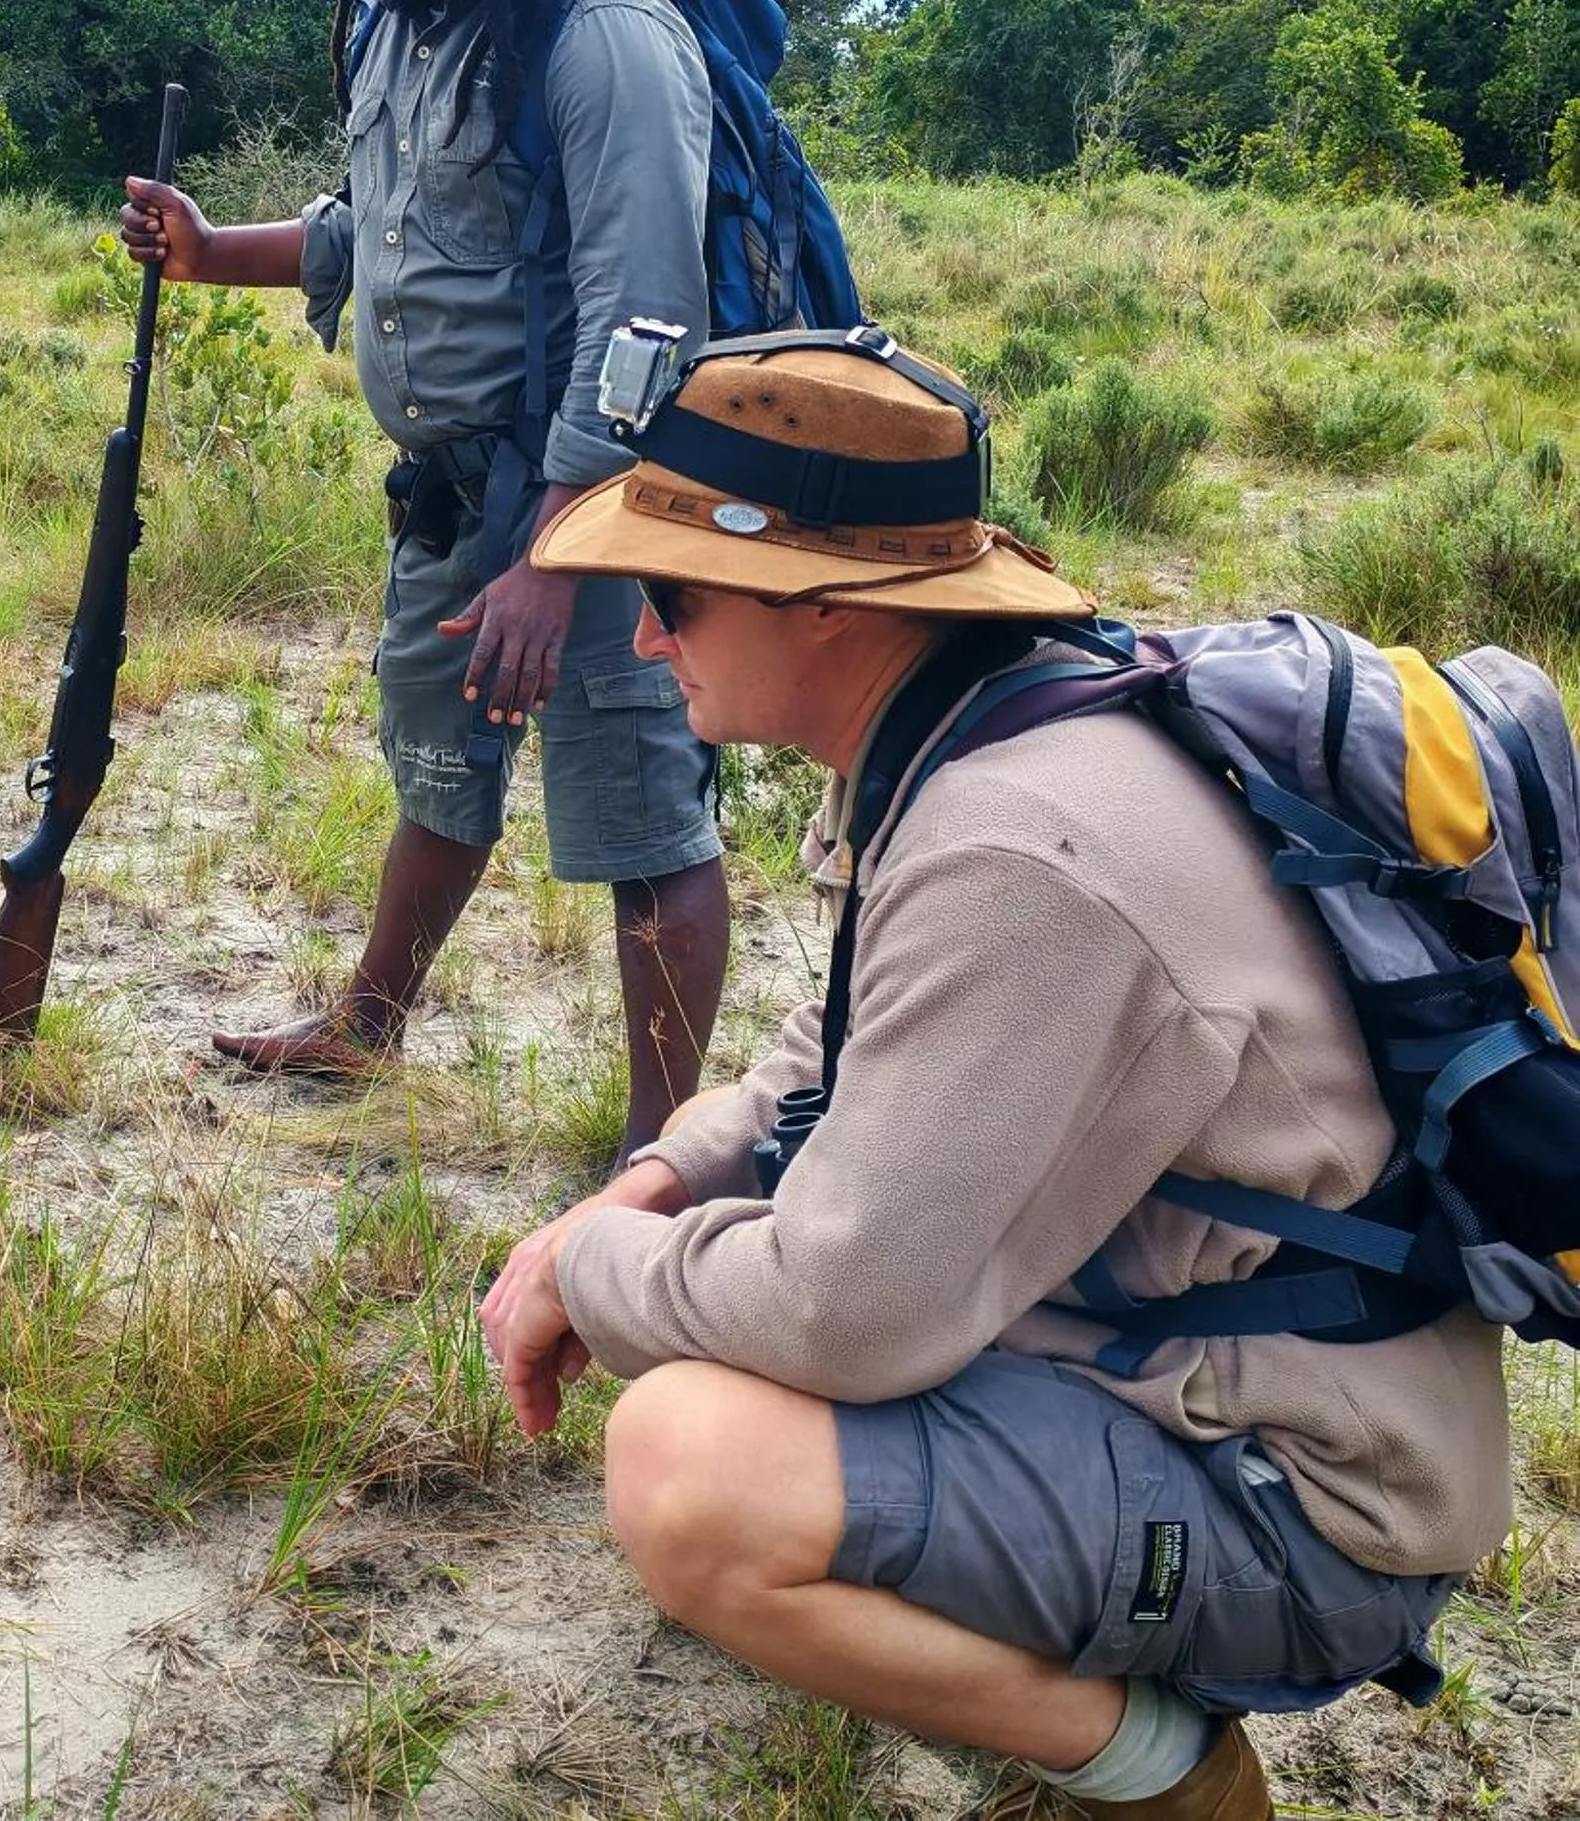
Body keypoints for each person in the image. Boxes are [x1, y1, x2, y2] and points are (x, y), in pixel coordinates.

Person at [476, 332, 1510, 1819]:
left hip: (1313, 1502)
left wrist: (594, 1270)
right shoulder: (975, 721)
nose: (642, 639)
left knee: (690, 1471)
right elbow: (825, 1054)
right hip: (1215, 1381)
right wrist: (651, 1183)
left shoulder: (1011, 848)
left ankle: (1166, 1779)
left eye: (669, 592)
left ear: (825, 604)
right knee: (715, 1330)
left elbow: (844, 1311)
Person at [119, 0, 728, 1147]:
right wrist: (218, 255)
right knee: (440, 770)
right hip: (451, 500)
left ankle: (659, 1159)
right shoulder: (409, 20)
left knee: (643, 824)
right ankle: (367, 1027)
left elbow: (647, 327)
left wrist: (554, 559)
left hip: (599, 514)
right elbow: (390, 228)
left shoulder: (607, 39)